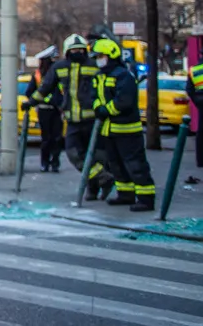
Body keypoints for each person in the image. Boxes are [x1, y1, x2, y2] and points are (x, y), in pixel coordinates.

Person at [30, 34, 113, 198]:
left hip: (94, 120)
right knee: (74, 154)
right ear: (68, 52)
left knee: (98, 156)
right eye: (73, 50)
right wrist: (32, 102)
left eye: (80, 50)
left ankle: (93, 188)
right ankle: (104, 178)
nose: (77, 53)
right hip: (73, 120)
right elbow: (46, 87)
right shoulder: (60, 67)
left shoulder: (94, 66)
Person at [91, 37, 156, 211]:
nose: (98, 59)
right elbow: (94, 97)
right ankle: (125, 194)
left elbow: (124, 101)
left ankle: (146, 198)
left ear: (110, 55)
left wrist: (107, 110)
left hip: (127, 129)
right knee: (116, 164)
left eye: (100, 55)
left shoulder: (123, 76)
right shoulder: (100, 76)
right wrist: (98, 107)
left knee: (135, 164)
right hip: (109, 130)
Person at [26, 51, 64, 172]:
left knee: (57, 138)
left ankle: (55, 162)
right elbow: (29, 92)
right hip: (44, 110)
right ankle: (45, 162)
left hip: (56, 110)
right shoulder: (38, 75)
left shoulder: (59, 74)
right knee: (47, 138)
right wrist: (43, 100)